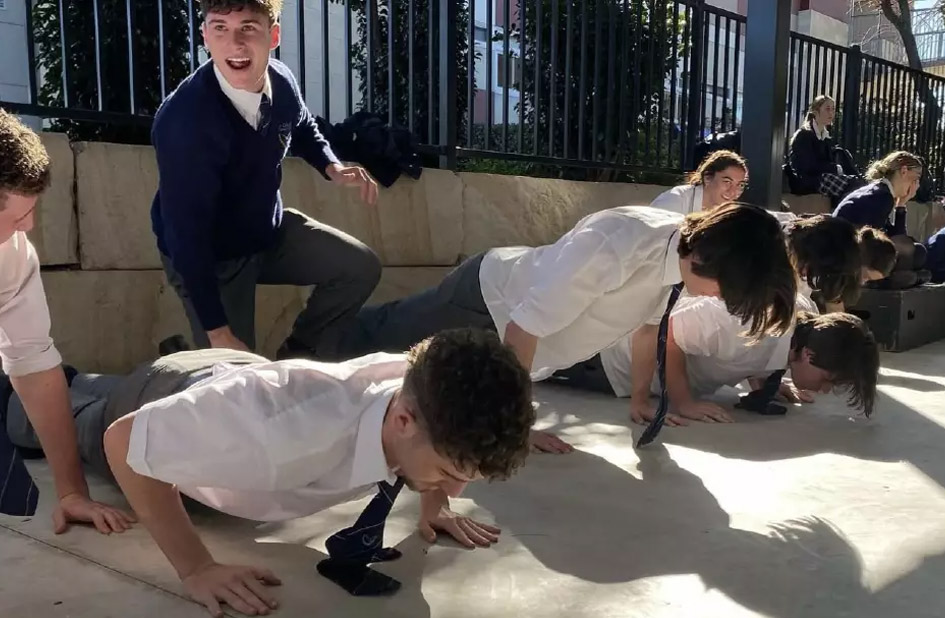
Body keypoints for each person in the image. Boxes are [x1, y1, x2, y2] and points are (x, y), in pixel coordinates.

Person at [29, 329, 535, 617]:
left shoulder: (419, 394)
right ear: (402, 420)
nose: (457, 487)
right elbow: (123, 441)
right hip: (168, 396)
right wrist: (196, 568)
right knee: (53, 414)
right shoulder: (281, 431)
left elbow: (437, 409)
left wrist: (436, 497)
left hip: (236, 379)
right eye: (450, 473)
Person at [315, 203, 797, 448]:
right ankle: (301, 349)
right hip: (486, 303)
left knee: (388, 376)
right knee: (374, 340)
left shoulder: (679, 263)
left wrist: (640, 400)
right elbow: (523, 330)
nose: (719, 298)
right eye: (725, 288)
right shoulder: (617, 244)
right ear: (703, 254)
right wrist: (516, 426)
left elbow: (649, 329)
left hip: (515, 328)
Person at [152, 0, 381, 360]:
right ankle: (182, 362)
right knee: (238, 373)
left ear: (274, 35)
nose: (236, 44)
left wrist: (331, 166)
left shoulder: (282, 80)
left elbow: (302, 125)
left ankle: (298, 353)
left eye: (248, 28)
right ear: (205, 37)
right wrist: (218, 331)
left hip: (266, 234)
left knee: (359, 267)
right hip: (210, 257)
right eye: (220, 29)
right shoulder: (185, 123)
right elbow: (186, 239)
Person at [0, 109, 134, 533]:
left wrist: (72, 491)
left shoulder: (12, 255)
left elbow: (35, 367)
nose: (30, 226)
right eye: (17, 218)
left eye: (31, 211)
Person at [548, 297, 878, 422]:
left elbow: (759, 355)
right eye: (827, 381)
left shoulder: (804, 321)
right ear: (809, 355)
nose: (823, 390)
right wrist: (684, 402)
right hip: (608, 360)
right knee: (527, 356)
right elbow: (669, 334)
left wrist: (764, 382)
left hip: (618, 355)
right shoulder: (748, 324)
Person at [833, 151, 930, 290]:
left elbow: (896, 237)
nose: (916, 185)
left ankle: (891, 278)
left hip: (853, 250)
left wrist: (901, 205)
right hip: (847, 257)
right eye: (916, 178)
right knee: (918, 253)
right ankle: (878, 281)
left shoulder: (881, 191)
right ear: (903, 171)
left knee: (917, 252)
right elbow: (881, 244)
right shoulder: (882, 197)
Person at [788, 95, 861, 205]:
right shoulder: (804, 135)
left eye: (833, 109)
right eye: (827, 109)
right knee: (850, 184)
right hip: (807, 181)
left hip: (822, 178)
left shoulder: (825, 137)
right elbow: (808, 166)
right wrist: (835, 168)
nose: (831, 113)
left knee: (856, 182)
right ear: (815, 111)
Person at [649, 150, 748, 215]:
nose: (733, 192)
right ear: (707, 178)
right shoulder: (674, 201)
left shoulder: (731, 215)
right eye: (727, 182)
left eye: (740, 185)